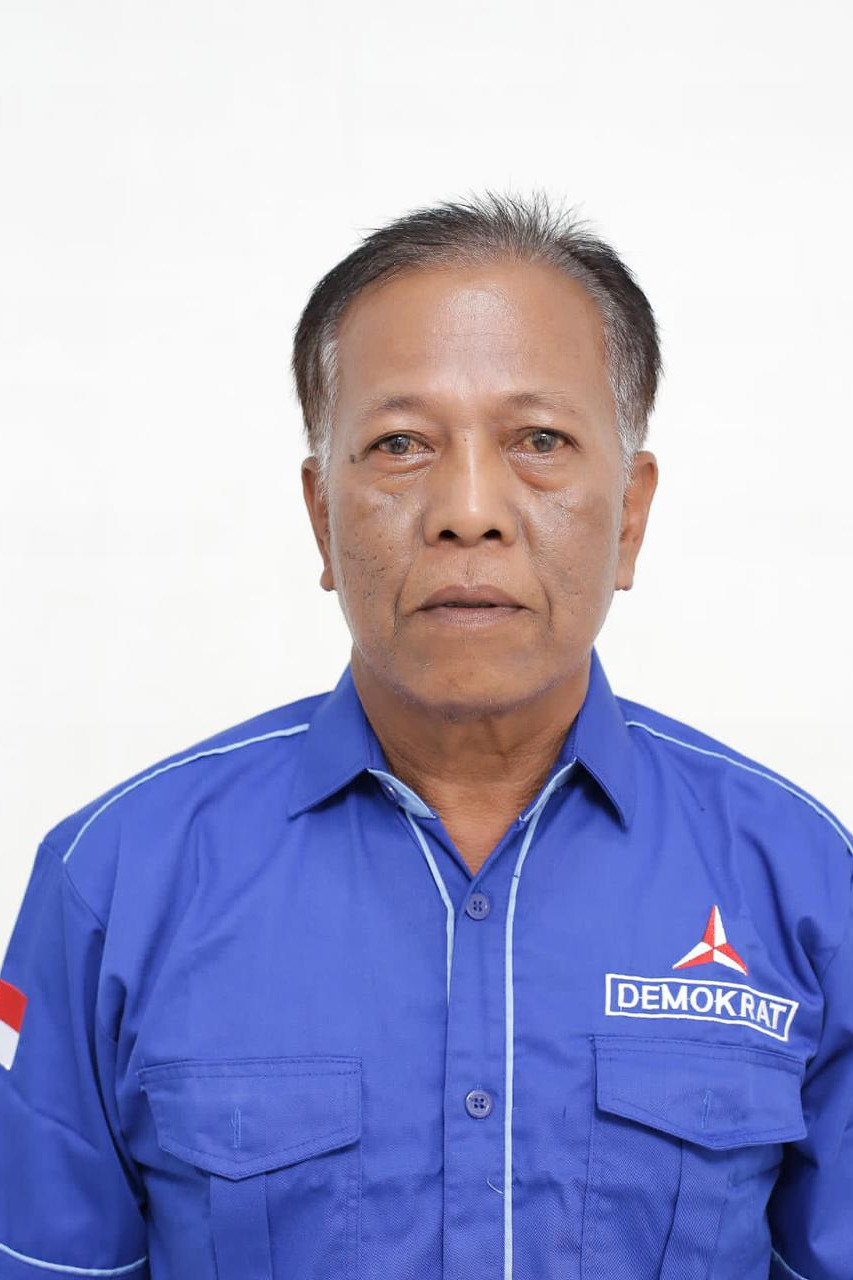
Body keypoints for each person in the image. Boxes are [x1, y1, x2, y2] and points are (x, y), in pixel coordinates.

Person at [0, 190, 850, 1280]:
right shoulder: (112, 881)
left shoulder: (803, 880)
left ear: (630, 515)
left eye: (538, 440)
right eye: (400, 443)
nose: (467, 509)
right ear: (320, 514)